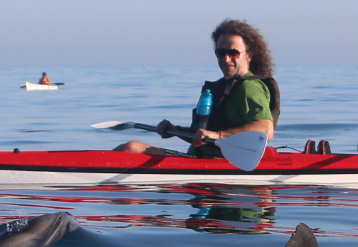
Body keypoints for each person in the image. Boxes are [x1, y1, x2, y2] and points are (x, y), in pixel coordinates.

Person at [114, 19, 280, 157]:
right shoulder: (223, 87)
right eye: (220, 52)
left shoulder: (249, 88)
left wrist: (217, 135)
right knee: (130, 148)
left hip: (218, 164)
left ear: (249, 55)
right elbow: (203, 136)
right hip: (197, 159)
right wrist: (174, 130)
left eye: (233, 53)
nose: (226, 58)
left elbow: (265, 129)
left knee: (131, 148)